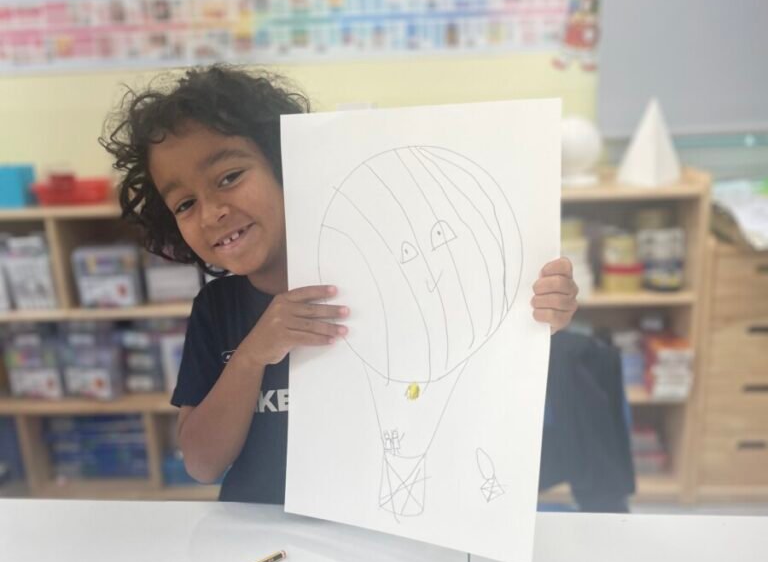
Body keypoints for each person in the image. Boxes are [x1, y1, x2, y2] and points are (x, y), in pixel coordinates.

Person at [100, 65, 579, 502]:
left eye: (229, 177)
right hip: (260, 536)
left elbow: (470, 359)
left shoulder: (387, 279)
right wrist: (252, 355)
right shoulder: (216, 309)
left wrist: (534, 318)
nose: (210, 213)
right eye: (184, 204)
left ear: (286, 163)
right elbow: (203, 465)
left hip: (380, 522)